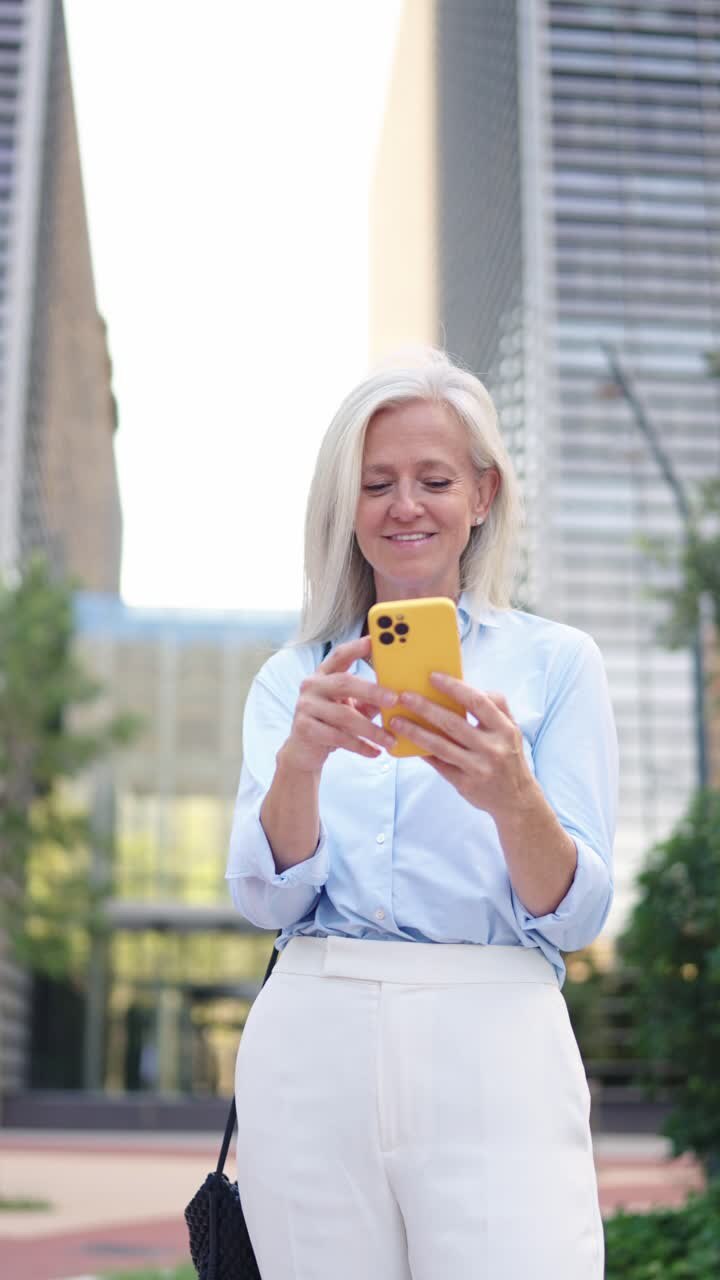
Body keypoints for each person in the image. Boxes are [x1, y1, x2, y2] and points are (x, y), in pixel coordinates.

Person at [226, 348, 617, 1280]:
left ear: (482, 494)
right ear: (347, 509)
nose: (405, 506)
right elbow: (264, 902)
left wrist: (511, 794)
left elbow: (578, 913)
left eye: (433, 479)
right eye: (377, 484)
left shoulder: (558, 665)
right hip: (314, 1031)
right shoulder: (294, 679)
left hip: (495, 1029)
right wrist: (301, 763)